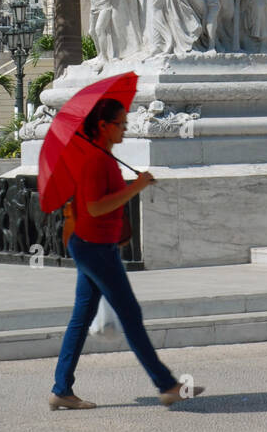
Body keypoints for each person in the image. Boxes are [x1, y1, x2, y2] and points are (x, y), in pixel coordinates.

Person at [50, 99, 204, 410]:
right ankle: (166, 385)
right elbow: (95, 207)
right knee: (130, 315)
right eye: (120, 123)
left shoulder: (102, 157)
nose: (124, 128)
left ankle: (61, 388)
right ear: (103, 126)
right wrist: (137, 187)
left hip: (94, 245)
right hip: (94, 249)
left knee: (81, 319)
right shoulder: (96, 160)